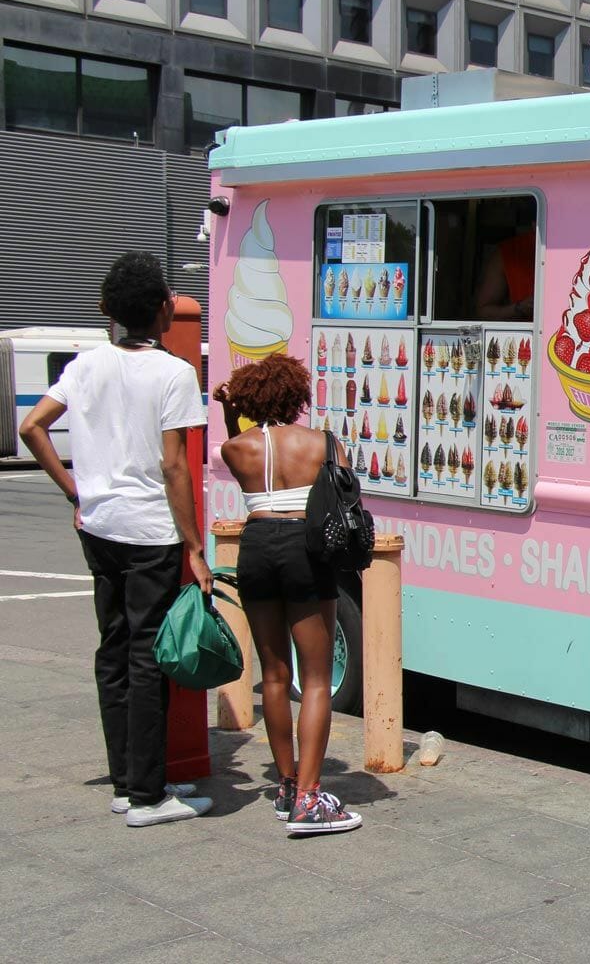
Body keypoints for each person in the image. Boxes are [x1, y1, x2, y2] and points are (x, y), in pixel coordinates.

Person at [19, 251, 214, 827]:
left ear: (106, 310)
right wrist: (195, 547)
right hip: (150, 530)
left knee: (113, 648)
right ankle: (149, 796)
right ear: (162, 311)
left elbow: (33, 426)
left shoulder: (84, 365)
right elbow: (175, 466)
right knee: (148, 655)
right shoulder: (175, 373)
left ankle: (128, 783)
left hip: (99, 524)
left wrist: (75, 491)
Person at [214, 354, 363, 834]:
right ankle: (309, 800)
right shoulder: (322, 442)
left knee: (274, 675)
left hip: (255, 547)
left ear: (249, 398)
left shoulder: (237, 449)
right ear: (297, 395)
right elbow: (347, 492)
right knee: (315, 677)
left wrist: (230, 408)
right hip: (305, 548)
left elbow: (242, 441)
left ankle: (284, 785)